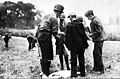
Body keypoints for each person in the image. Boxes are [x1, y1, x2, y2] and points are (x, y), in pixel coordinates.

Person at [65, 13, 89, 78]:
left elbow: (67, 37)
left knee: (73, 60)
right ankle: (83, 74)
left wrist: (68, 45)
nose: (69, 18)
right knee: (81, 58)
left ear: (71, 17)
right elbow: (83, 35)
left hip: (73, 46)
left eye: (69, 17)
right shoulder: (80, 24)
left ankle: (73, 74)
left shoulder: (69, 25)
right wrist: (85, 44)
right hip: (81, 45)